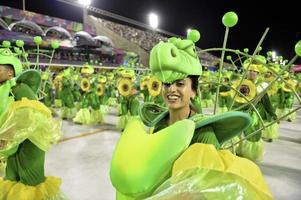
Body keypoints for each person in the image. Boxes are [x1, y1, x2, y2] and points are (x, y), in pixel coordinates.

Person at [110, 30, 272, 199]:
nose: (172, 89)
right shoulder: (158, 125)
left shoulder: (204, 133)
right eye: (167, 84)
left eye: (180, 84)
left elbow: (211, 185)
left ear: (194, 91)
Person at [0, 47, 66, 200]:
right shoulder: (2, 89)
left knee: (30, 179)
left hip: (29, 141)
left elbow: (30, 116)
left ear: (10, 73)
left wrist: (7, 137)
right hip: (12, 143)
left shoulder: (20, 88)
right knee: (12, 176)